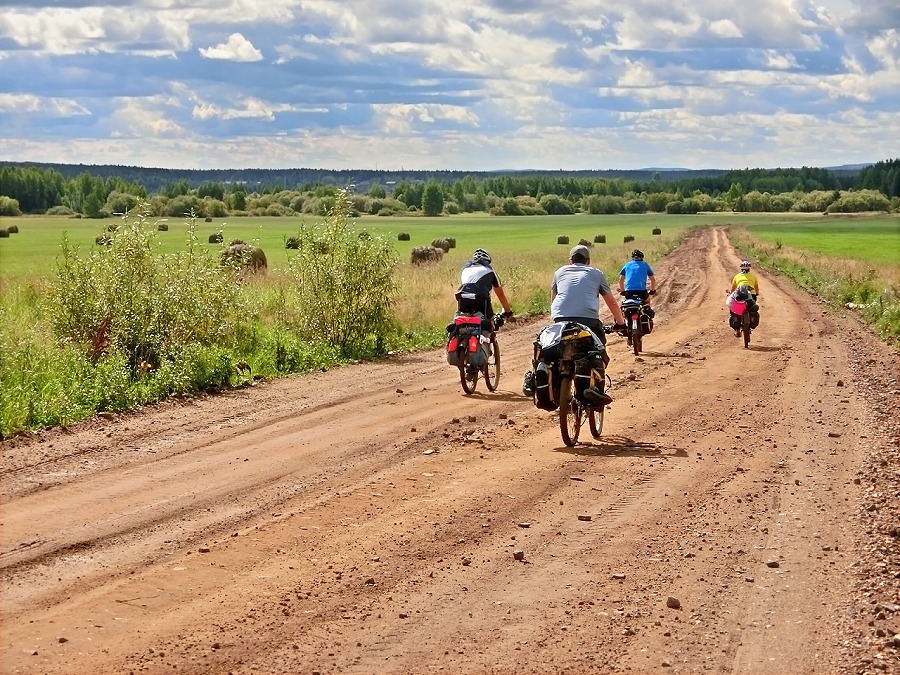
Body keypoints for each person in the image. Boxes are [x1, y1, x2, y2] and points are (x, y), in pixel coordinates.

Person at [524, 245, 626, 406]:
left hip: (560, 321)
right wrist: (621, 323)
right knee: (599, 353)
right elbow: (612, 302)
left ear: (570, 261)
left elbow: (554, 300)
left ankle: (551, 387)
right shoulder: (596, 273)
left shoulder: (559, 272)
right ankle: (595, 390)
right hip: (588, 322)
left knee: (551, 354)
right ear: (588, 261)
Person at [455, 248, 513, 328]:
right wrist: (508, 311)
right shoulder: (490, 270)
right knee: (489, 323)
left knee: (461, 321)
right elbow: (500, 294)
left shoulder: (465, 269)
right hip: (481, 298)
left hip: (462, 297)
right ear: (487, 261)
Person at [618, 249, 657, 316]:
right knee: (647, 301)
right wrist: (652, 290)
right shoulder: (645, 265)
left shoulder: (627, 265)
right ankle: (647, 316)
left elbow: (621, 280)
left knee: (627, 305)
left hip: (629, 292)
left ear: (632, 257)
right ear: (641, 257)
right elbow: (653, 280)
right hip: (641, 292)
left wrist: (623, 291)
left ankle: (627, 321)